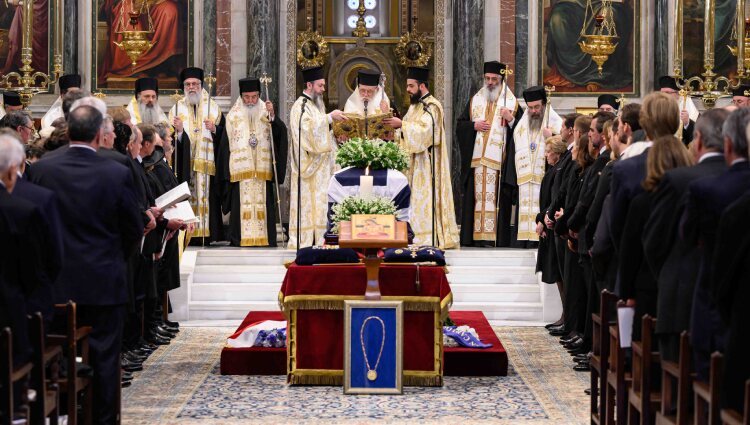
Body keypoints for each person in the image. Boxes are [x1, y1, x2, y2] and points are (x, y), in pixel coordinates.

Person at [29, 105, 143, 423]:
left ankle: (62, 414)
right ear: (98, 135)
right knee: (105, 358)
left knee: (57, 354)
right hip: (104, 281)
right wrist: (116, 258)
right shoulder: (116, 170)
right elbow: (133, 228)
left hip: (56, 284)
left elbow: (34, 225)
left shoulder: (43, 169)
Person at [642, 108, 728, 366]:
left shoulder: (679, 180)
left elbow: (654, 241)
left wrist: (669, 273)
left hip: (682, 294)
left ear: (698, 139)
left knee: (677, 383)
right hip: (733, 303)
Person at [618, 135, 693, 342]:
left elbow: (630, 251)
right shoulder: (692, 194)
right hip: (685, 285)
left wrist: (626, 292)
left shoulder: (642, 202)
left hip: (647, 286)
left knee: (645, 349)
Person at [384, 66, 459, 249]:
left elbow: (427, 134)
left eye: (411, 86)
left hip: (426, 166)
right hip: (413, 165)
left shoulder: (432, 106)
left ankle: (426, 237)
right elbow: (406, 131)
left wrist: (401, 124)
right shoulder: (415, 107)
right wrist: (393, 134)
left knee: (422, 202)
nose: (408, 90)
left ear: (422, 86)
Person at [456, 61, 522, 247]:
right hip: (476, 163)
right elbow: (460, 126)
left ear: (501, 80)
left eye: (494, 79)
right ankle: (475, 238)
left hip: (498, 164)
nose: (490, 82)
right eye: (487, 78)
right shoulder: (475, 100)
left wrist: (510, 120)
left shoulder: (512, 103)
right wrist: (473, 126)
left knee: (495, 200)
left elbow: (522, 131)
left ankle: (494, 238)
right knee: (475, 200)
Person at [220, 77, 288, 247]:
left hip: (262, 170)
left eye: (254, 97)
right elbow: (225, 145)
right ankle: (239, 238)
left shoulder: (266, 112)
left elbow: (280, 134)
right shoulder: (233, 116)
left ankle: (266, 238)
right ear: (241, 96)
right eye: (247, 97)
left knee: (264, 205)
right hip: (241, 171)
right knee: (239, 206)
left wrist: (273, 117)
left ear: (259, 95)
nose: (250, 101)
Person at [288, 66, 345, 249]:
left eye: (323, 86)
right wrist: (329, 118)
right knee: (310, 205)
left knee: (320, 204)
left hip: (321, 169)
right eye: (320, 86)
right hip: (309, 169)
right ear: (309, 85)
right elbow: (305, 131)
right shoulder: (301, 106)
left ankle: (321, 240)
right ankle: (306, 241)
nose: (323, 89)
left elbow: (323, 135)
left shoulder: (315, 106)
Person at [168, 67, 226, 244]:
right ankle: (188, 234)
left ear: (201, 86)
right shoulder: (176, 109)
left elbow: (224, 139)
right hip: (185, 165)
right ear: (183, 87)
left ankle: (207, 235)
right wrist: (178, 132)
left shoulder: (213, 108)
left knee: (207, 198)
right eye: (188, 84)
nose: (191, 87)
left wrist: (215, 129)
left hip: (207, 166)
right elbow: (169, 140)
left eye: (195, 84)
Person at [510, 86, 563, 245]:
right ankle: (525, 240)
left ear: (544, 104)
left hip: (545, 178)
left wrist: (552, 136)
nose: (533, 111)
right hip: (526, 179)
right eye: (530, 107)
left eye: (537, 107)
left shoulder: (555, 121)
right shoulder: (521, 125)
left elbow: (565, 147)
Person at [536, 135, 566, 326]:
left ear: (556, 152)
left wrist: (543, 218)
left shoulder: (558, 171)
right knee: (557, 274)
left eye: (548, 151)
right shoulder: (554, 169)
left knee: (560, 274)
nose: (546, 155)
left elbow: (555, 198)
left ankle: (567, 316)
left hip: (553, 223)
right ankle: (566, 315)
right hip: (548, 221)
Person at [658, 75, 699, 146]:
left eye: (667, 92)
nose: (663, 96)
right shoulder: (656, 107)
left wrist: (687, 123)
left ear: (678, 94)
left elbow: (697, 135)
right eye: (662, 93)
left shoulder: (687, 105)